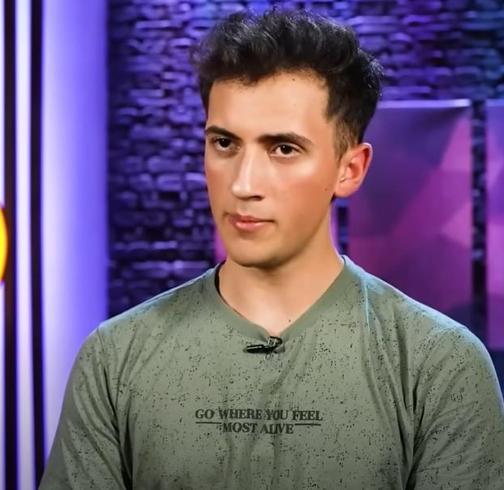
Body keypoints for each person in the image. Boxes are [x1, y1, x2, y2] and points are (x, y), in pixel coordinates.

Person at [39, 8, 504, 489]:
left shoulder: (438, 366)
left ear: (350, 169)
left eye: (283, 149)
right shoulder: (116, 359)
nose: (243, 184)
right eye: (225, 143)